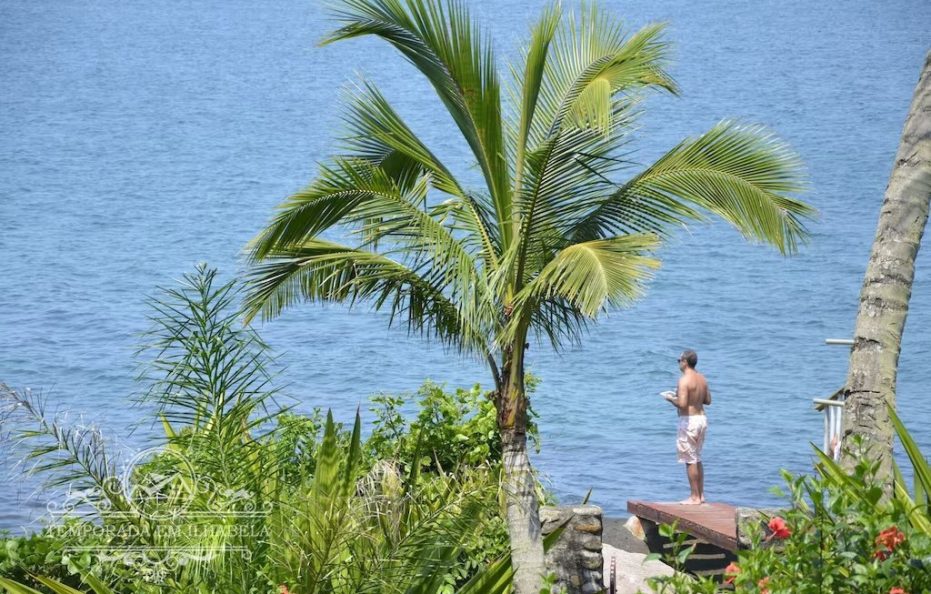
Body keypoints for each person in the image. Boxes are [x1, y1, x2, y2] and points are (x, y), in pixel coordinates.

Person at [663, 349, 711, 505]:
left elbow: (682, 404)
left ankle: (694, 497)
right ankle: (701, 495)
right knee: (697, 457)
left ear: (685, 362)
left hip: (689, 421)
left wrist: (670, 398)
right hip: (702, 419)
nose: (678, 363)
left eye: (679, 360)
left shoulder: (683, 380)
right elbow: (708, 400)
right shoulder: (702, 378)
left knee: (689, 459)